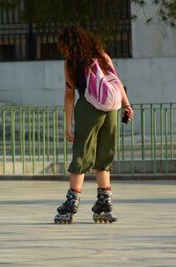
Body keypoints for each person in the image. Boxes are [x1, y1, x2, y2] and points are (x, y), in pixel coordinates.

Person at [54, 25, 134, 224]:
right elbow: (116, 82)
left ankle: (72, 202)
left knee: (81, 154)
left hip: (89, 109)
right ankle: (105, 203)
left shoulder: (71, 62)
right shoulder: (102, 54)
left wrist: (68, 124)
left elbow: (69, 94)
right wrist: (126, 105)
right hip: (112, 110)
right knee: (104, 155)